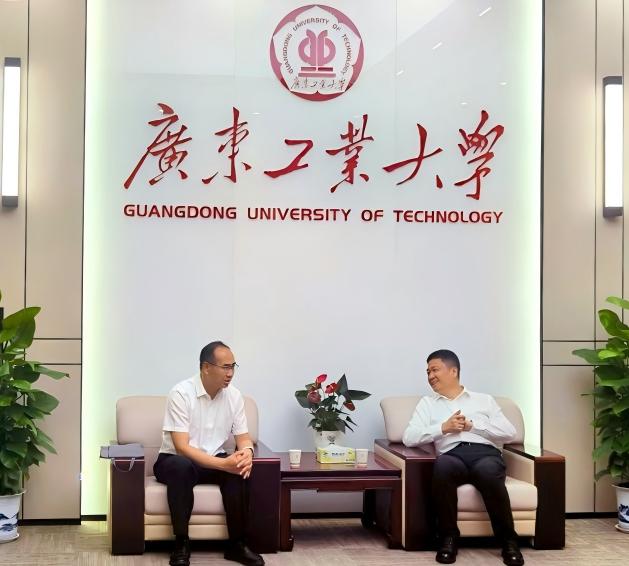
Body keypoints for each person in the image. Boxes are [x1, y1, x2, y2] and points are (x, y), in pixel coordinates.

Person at [402, 349, 524, 566]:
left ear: (453, 371)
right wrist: (443, 428)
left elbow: (509, 432)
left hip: (485, 454)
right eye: (428, 372)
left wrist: (473, 426)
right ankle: (448, 539)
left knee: (488, 472)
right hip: (452, 454)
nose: (430, 376)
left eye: (435, 370)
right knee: (442, 467)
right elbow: (409, 437)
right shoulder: (427, 404)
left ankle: (509, 542)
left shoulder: (484, 400)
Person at [154, 341, 264, 566]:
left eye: (233, 366)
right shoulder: (181, 393)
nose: (230, 373)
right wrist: (224, 465)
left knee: (239, 469)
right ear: (206, 367)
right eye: (225, 367)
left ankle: (237, 545)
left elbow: (244, 438)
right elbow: (181, 446)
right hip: (176, 460)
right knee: (182, 467)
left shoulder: (234, 396)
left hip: (213, 457)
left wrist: (247, 453)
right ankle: (181, 543)